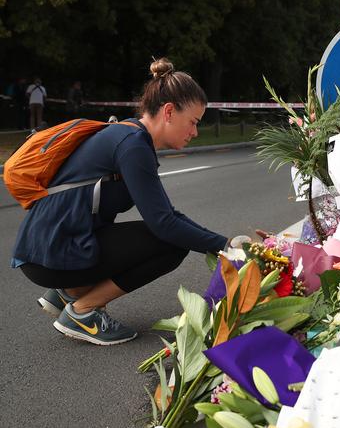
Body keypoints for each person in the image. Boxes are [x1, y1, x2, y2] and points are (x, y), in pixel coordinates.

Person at [11, 58, 230, 346]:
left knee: (171, 234)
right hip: (50, 253)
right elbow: (164, 224)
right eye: (193, 122)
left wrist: (223, 243)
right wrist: (226, 247)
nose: (194, 132)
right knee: (171, 244)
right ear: (168, 111)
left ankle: (70, 290)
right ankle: (82, 311)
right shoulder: (133, 146)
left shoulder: (129, 135)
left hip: (48, 246)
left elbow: (167, 215)